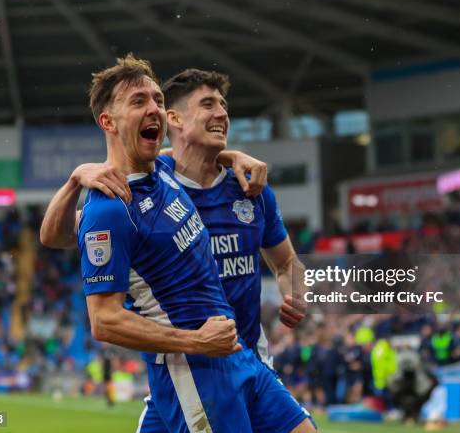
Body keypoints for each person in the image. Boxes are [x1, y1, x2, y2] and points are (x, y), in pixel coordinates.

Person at [41, 54, 315, 432]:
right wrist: (75, 180)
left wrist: (232, 154)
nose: (154, 107)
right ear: (108, 121)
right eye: (139, 101)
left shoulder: (165, 171)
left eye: (157, 99)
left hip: (241, 356)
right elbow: (103, 320)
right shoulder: (110, 208)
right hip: (196, 369)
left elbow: (193, 156)